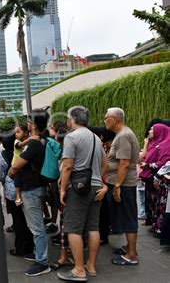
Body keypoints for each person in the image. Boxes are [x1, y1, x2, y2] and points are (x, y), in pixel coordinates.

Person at [57, 106, 108, 281]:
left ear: (72, 119)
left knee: (73, 229)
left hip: (78, 188)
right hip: (96, 186)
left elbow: (68, 166)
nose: (67, 121)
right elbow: (105, 164)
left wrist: (62, 189)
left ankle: (79, 269)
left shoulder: (72, 137)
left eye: (68, 118)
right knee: (93, 227)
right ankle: (91, 266)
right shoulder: (96, 138)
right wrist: (100, 180)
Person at [9, 108, 51, 277]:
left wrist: (12, 170)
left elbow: (16, 166)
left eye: (28, 121)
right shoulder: (43, 140)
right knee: (36, 225)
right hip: (38, 186)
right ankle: (38, 252)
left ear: (33, 124)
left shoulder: (33, 143)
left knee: (36, 227)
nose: (27, 123)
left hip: (31, 189)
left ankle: (42, 262)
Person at [104, 107, 140, 265]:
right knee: (126, 216)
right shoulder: (121, 135)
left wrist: (117, 185)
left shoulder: (124, 136)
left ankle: (131, 255)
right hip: (120, 183)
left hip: (124, 184)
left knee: (128, 218)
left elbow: (124, 163)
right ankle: (129, 248)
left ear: (115, 119)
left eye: (106, 118)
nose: (104, 120)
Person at [0, 134, 34, 257]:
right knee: (28, 218)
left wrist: (5, 183)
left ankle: (20, 248)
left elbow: (1, 175)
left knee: (18, 220)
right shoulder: (25, 151)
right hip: (27, 187)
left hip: (11, 190)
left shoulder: (2, 155)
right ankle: (31, 245)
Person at [13, 124, 30, 206]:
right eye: (15, 132)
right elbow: (20, 145)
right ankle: (18, 196)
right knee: (17, 178)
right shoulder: (17, 141)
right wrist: (30, 139)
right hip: (16, 163)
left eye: (18, 132)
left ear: (25, 133)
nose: (16, 134)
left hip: (23, 164)